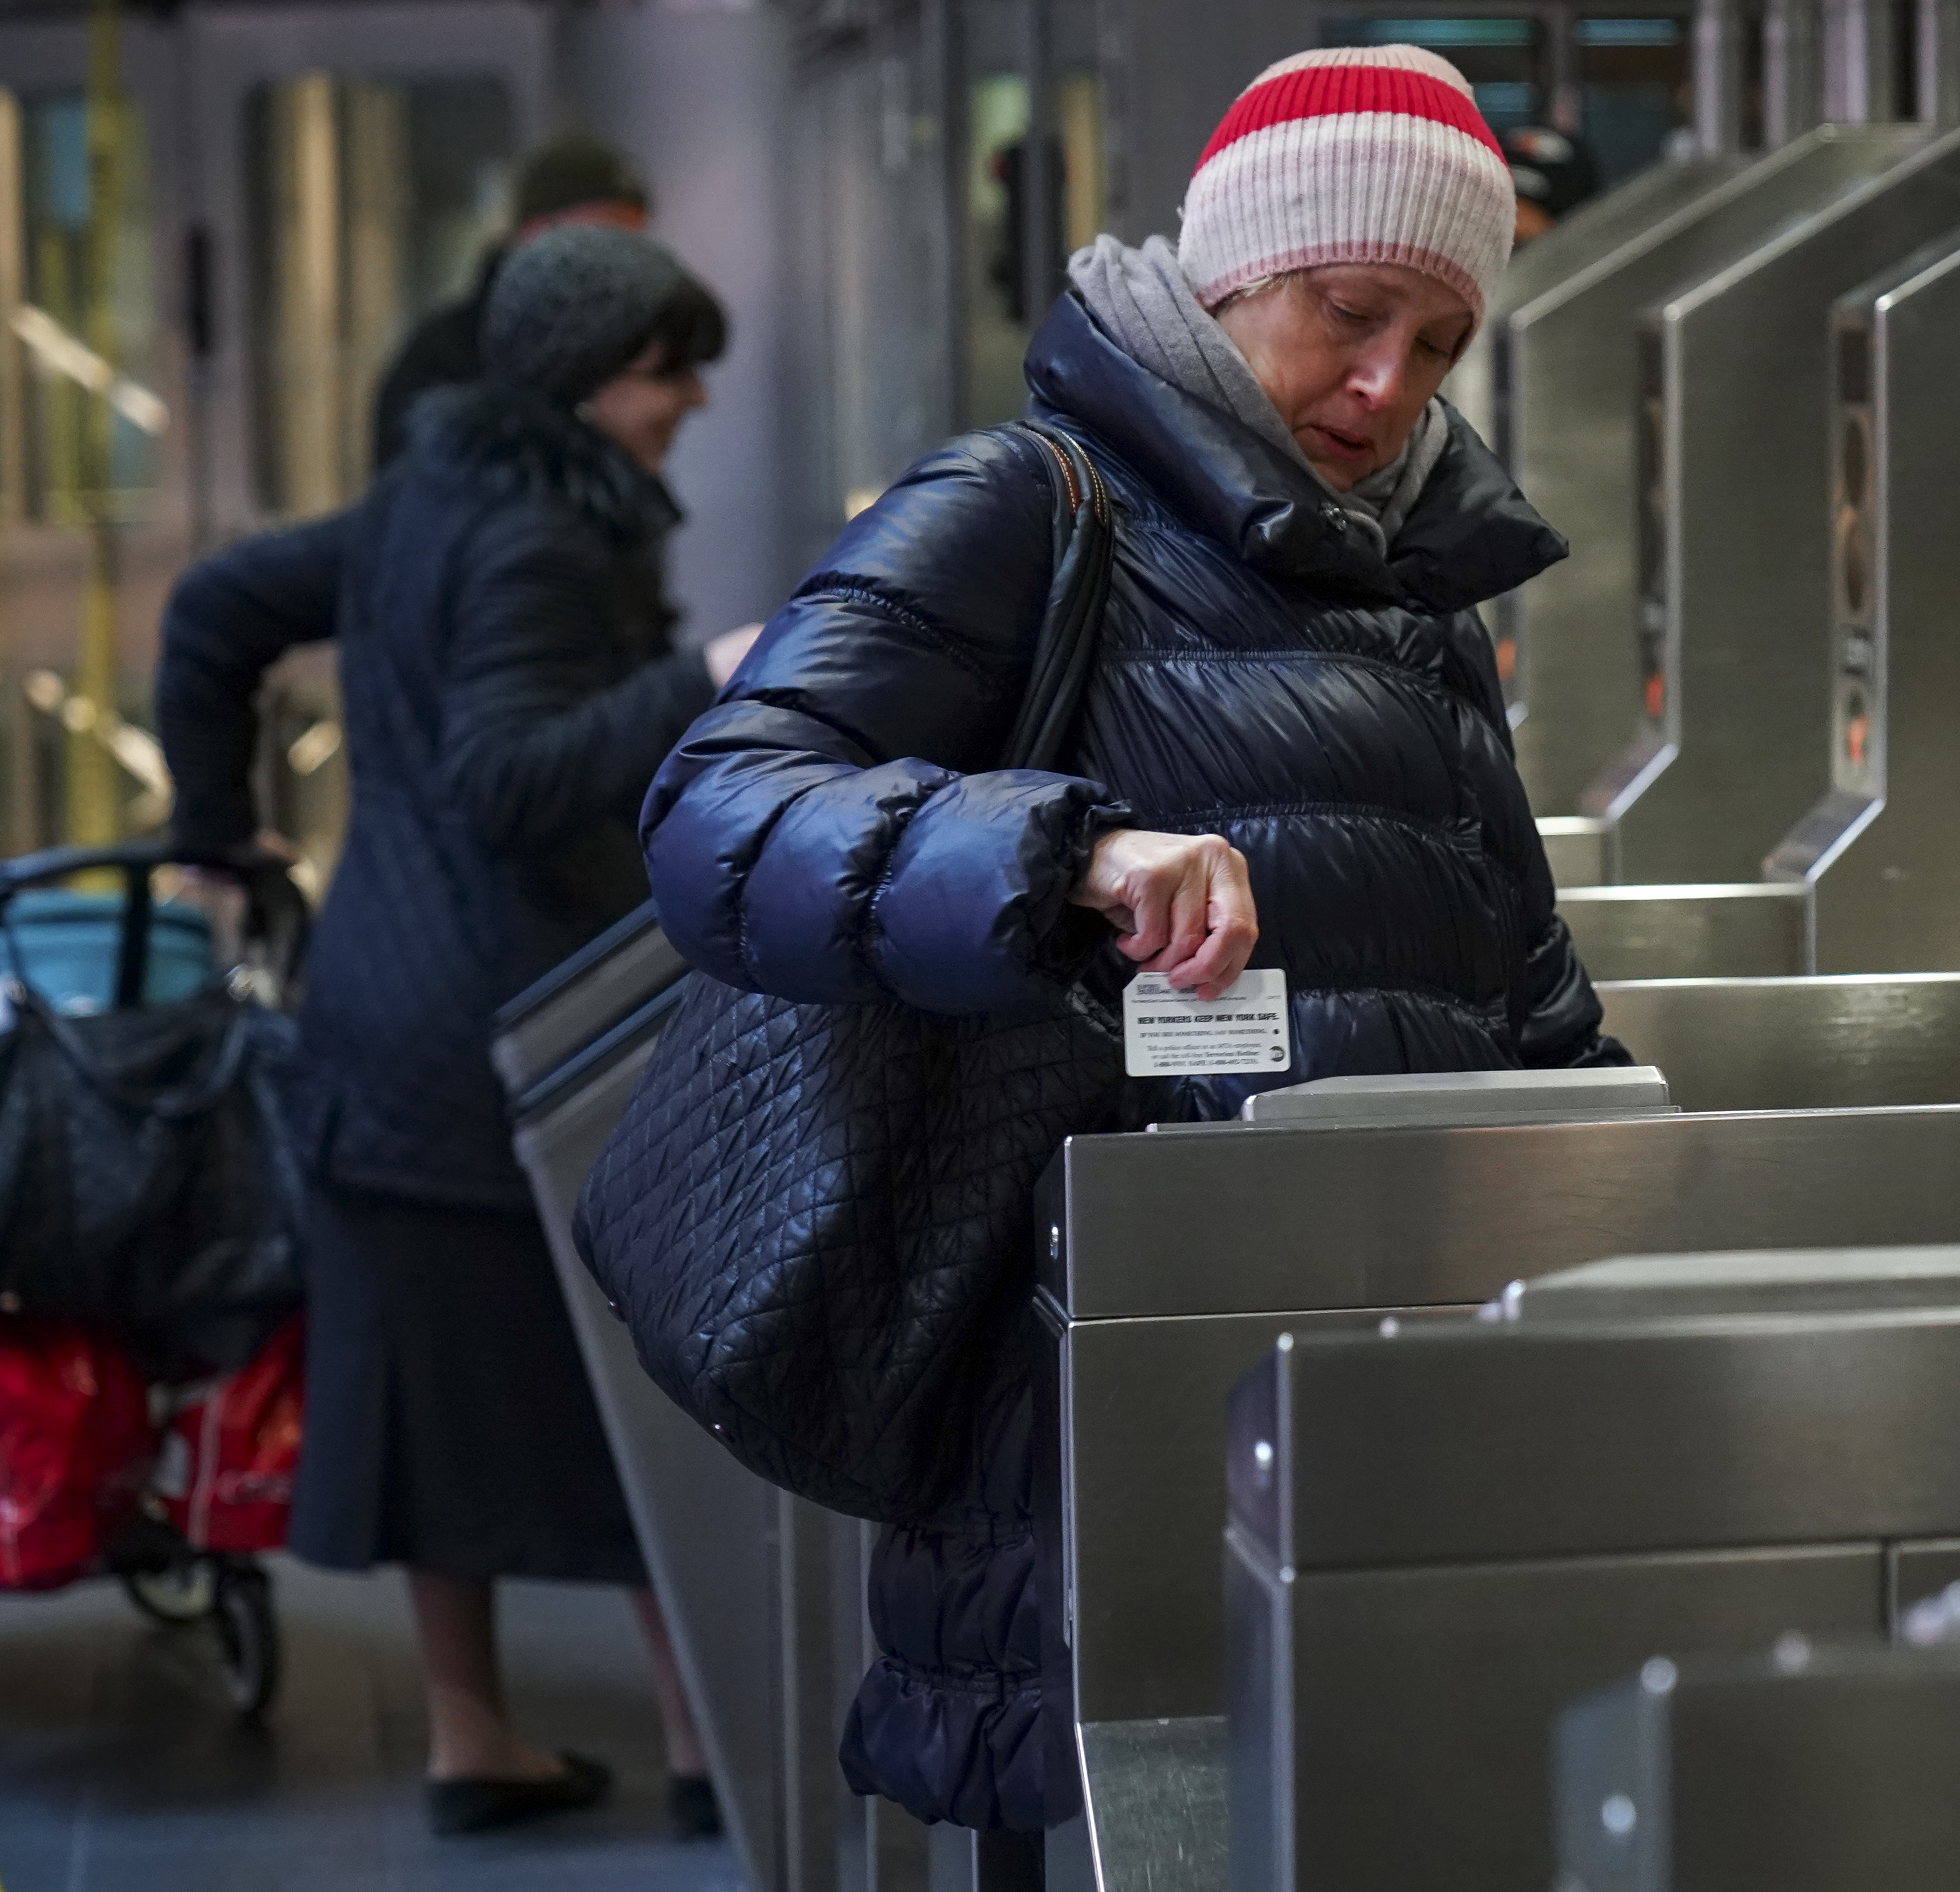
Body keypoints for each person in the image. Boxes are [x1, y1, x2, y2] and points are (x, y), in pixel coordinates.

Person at [638, 43, 1625, 1841]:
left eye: (1439, 342)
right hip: (1076, 1402)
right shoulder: (1028, 508)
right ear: (1234, 268)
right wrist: (1058, 851)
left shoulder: (1416, 597)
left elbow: (1524, 1001)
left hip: (1360, 1386)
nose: (1385, 383)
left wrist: (1652, 1227)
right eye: (1345, 312)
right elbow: (716, 813)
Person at [157, 225, 760, 1839]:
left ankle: (469, 1736)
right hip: (512, 1030)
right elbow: (513, 776)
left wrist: (216, 827)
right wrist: (707, 669)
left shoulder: (418, 500)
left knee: (438, 1403)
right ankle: (712, 1736)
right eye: (666, 370)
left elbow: (217, 604)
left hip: (374, 1023)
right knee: (638, 1378)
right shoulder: (545, 543)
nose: (690, 400)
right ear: (583, 382)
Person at [370, 134, 652, 469]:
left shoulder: (620, 350)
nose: (626, 262)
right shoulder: (446, 356)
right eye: (606, 238)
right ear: (536, 233)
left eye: (635, 243)